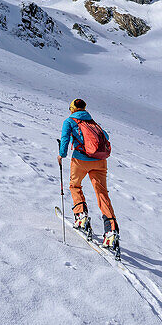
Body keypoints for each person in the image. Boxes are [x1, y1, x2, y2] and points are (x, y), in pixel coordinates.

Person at [57, 99, 119, 253]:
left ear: (72, 109)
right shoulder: (93, 122)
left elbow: (65, 138)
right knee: (102, 194)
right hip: (100, 162)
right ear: (84, 109)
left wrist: (61, 154)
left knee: (75, 185)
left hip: (81, 160)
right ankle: (111, 231)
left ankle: (81, 216)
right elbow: (106, 137)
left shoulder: (69, 121)